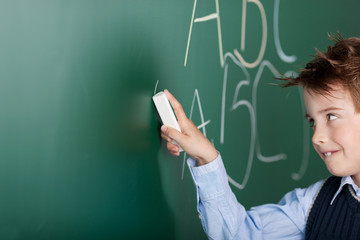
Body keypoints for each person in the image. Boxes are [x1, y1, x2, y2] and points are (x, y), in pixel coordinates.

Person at [160, 34, 360, 240]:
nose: (316, 137)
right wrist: (206, 158)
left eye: (332, 116)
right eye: (313, 122)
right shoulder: (315, 203)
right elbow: (240, 234)